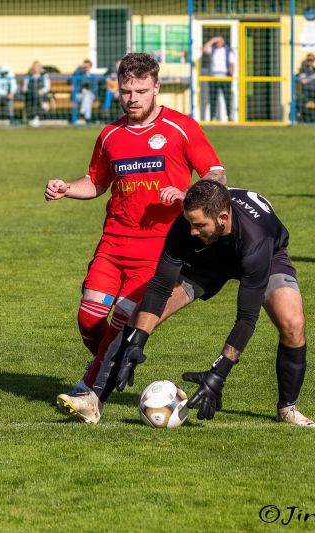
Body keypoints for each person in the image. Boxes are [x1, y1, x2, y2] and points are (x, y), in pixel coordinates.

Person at [45, 53, 226, 410]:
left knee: (123, 320)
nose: (133, 98)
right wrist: (67, 187)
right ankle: (108, 364)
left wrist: (188, 195)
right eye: (126, 90)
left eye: (141, 91)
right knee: (89, 317)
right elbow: (96, 182)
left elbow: (216, 175)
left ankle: (89, 389)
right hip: (113, 242)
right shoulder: (110, 134)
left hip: (159, 248)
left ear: (156, 87)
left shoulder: (181, 128)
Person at [62, 180, 315, 427]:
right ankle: (94, 400)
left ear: (223, 219)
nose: (192, 230)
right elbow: (160, 287)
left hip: (265, 259)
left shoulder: (256, 241)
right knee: (139, 316)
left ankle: (288, 409)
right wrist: (137, 340)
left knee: (292, 324)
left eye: (199, 225)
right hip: (207, 260)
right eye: (190, 223)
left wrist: (219, 372)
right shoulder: (186, 225)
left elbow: (246, 318)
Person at [203, 36, 235, 121]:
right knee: (213, 98)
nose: (217, 43)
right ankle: (212, 117)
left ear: (223, 41)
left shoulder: (228, 51)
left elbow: (232, 63)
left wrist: (231, 74)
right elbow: (205, 49)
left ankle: (229, 116)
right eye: (216, 41)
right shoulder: (212, 49)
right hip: (214, 77)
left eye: (219, 41)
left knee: (227, 98)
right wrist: (212, 40)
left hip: (225, 77)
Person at [22, 60, 51, 127]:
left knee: (37, 96)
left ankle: (36, 118)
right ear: (33, 67)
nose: (37, 68)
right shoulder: (28, 76)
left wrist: (42, 91)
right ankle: (42, 106)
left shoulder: (44, 75)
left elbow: (47, 87)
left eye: (38, 67)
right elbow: (24, 88)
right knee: (35, 95)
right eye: (35, 67)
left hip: (42, 95)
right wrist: (31, 91)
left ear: (41, 68)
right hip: (30, 95)